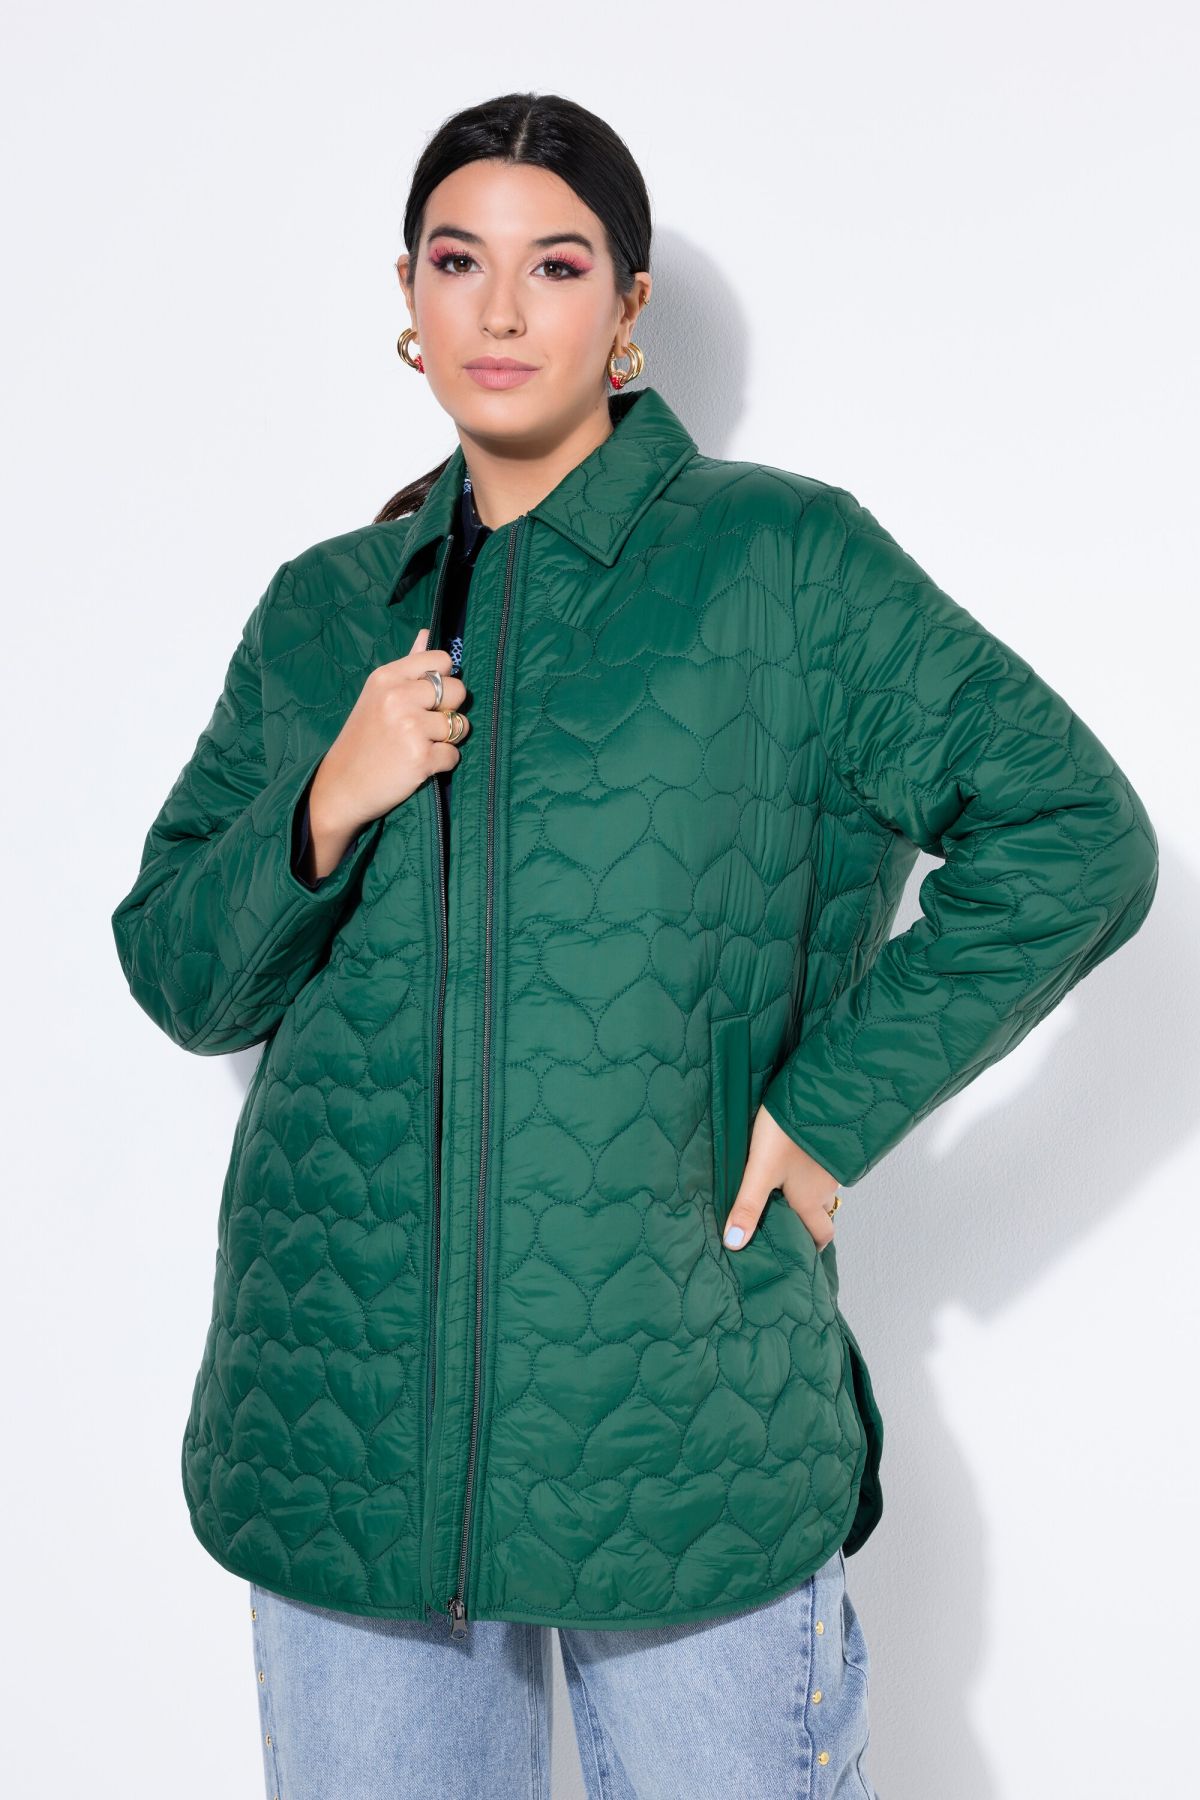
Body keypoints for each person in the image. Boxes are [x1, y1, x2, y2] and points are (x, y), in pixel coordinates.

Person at [110, 91, 1159, 1800]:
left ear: (628, 305)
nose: (501, 309)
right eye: (459, 261)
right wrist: (329, 798)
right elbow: (177, 973)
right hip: (346, 1443)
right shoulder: (327, 609)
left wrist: (831, 1108)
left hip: (686, 1433)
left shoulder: (781, 565)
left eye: (556, 264)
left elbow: (1074, 834)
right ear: (407, 296)